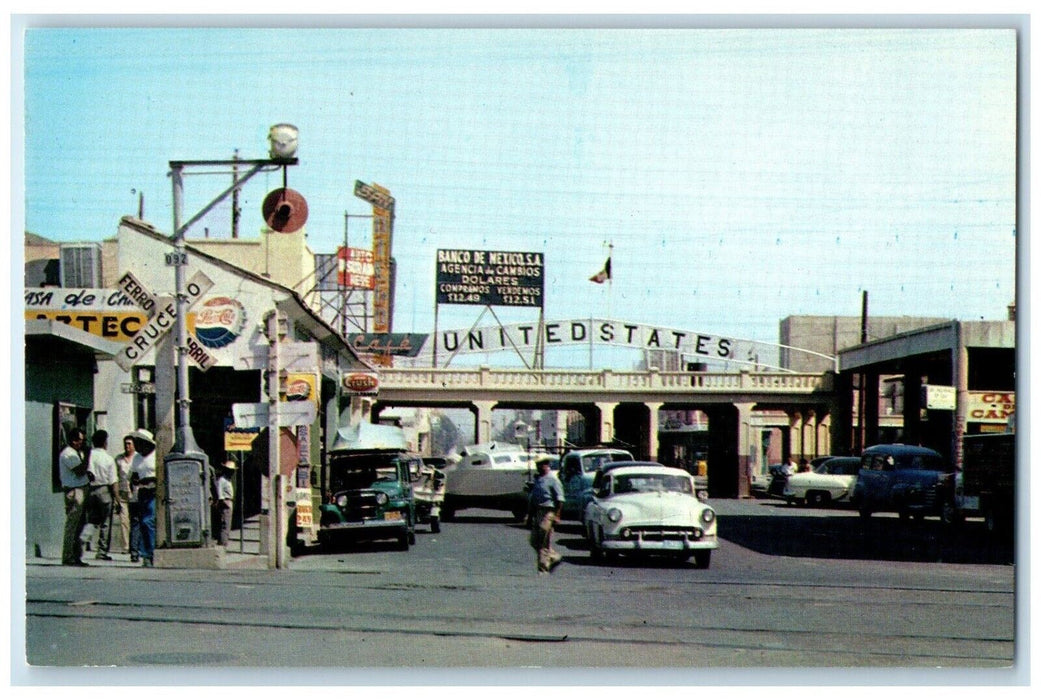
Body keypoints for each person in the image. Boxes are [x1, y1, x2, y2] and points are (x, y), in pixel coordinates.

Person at [527, 456, 564, 574]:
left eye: (541, 464)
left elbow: (560, 499)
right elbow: (533, 498)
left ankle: (543, 568)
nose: (539, 467)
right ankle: (554, 556)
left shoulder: (553, 480)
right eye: (537, 464)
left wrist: (557, 515)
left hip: (548, 511)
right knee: (534, 541)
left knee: (543, 540)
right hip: (537, 511)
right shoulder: (538, 479)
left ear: (547, 464)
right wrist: (530, 517)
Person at [59, 428, 90, 566]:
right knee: (72, 525)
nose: (81, 443)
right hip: (74, 491)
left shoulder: (76, 453)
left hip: (81, 488)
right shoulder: (68, 454)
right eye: (79, 440)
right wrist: (88, 456)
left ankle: (76, 555)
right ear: (73, 440)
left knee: (79, 525)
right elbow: (79, 471)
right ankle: (68, 556)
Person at [85, 430, 118, 561]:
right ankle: (101, 551)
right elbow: (113, 481)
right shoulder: (108, 459)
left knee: (92, 520)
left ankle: (83, 540)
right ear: (105, 442)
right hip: (104, 490)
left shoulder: (88, 456)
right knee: (105, 522)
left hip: (91, 489)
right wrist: (117, 498)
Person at [129, 429, 157, 567]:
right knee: (142, 523)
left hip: (154, 492)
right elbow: (134, 475)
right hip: (142, 493)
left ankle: (151, 552)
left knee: (148, 521)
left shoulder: (156, 455)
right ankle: (145, 554)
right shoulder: (137, 458)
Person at [113, 435, 135, 555]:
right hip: (122, 493)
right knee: (124, 521)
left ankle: (135, 545)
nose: (127, 446)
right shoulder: (119, 459)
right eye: (125, 443)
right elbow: (115, 476)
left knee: (135, 520)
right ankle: (126, 546)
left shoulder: (136, 458)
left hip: (134, 493)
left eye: (129, 444)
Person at [215, 459, 236, 546]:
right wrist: (225, 504)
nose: (232, 472)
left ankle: (224, 542)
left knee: (228, 524)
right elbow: (220, 495)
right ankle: (223, 543)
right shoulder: (222, 480)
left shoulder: (228, 479)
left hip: (229, 502)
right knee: (225, 524)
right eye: (231, 470)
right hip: (225, 502)